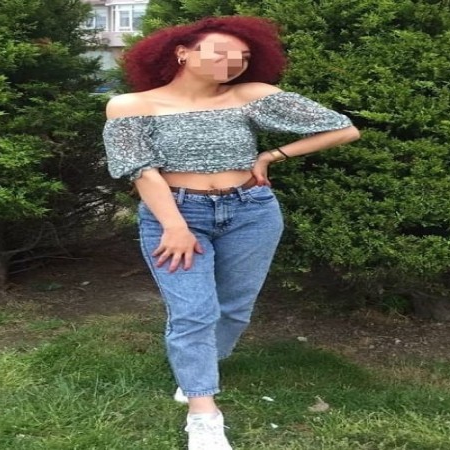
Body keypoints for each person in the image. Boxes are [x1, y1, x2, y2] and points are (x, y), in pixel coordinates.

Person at [102, 16, 360, 450]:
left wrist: (270, 155)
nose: (233, 61)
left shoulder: (251, 96)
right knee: (193, 312)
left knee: (236, 308)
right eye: (219, 51)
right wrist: (175, 226)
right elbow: (141, 171)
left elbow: (343, 128)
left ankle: (198, 369)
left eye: (242, 56)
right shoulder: (130, 105)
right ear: (182, 53)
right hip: (177, 211)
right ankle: (203, 413)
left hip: (251, 211)